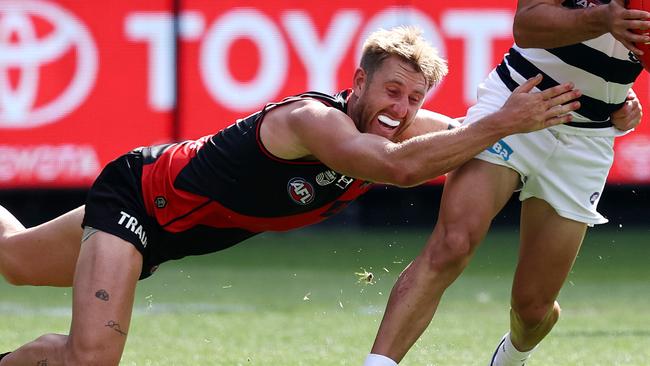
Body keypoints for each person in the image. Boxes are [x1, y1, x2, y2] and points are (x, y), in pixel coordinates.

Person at [0, 25, 583, 365]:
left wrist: (609, 117)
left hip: (167, 232)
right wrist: (501, 123)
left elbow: (478, 140)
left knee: (15, 259)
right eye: (391, 90)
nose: (400, 110)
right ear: (358, 82)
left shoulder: (406, 128)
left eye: (414, 99)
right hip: (137, 199)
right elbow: (399, 168)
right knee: (92, 358)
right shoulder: (313, 121)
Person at [363, 2, 647, 366]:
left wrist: (618, 95)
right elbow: (527, 24)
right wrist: (603, 19)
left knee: (533, 309)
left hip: (588, 137)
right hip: (520, 99)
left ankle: (511, 358)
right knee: (453, 242)